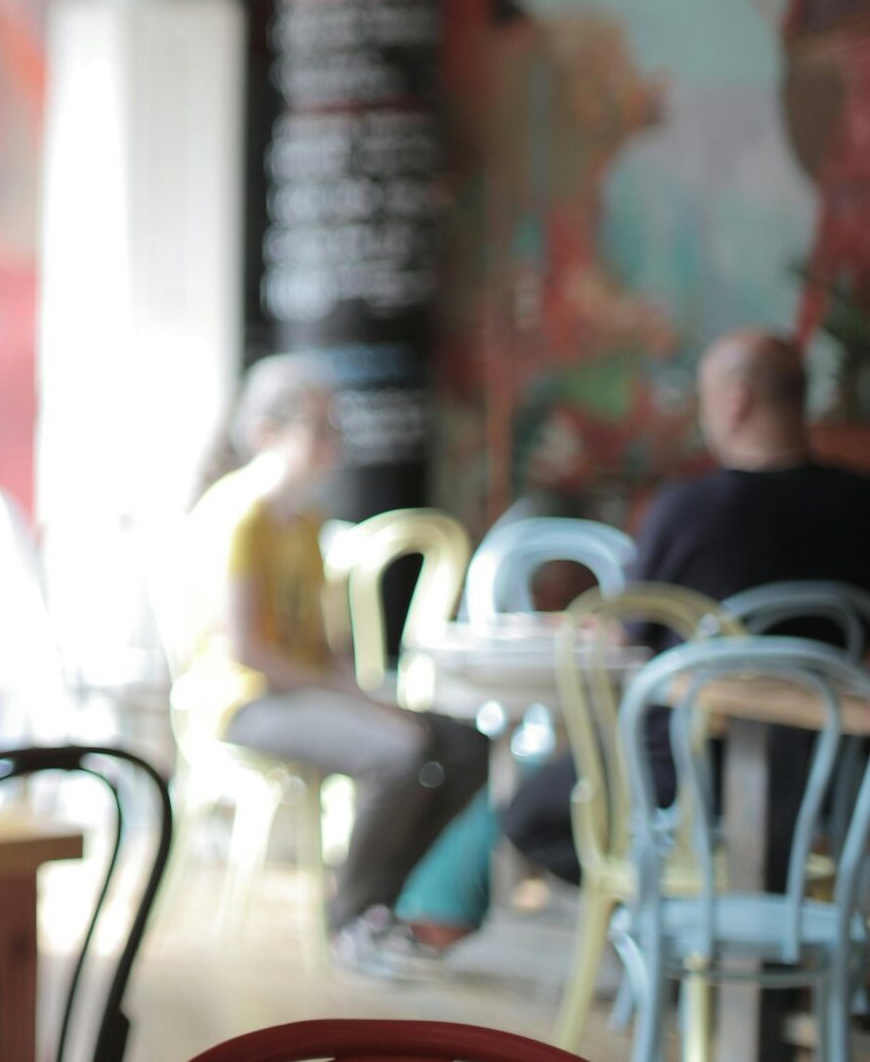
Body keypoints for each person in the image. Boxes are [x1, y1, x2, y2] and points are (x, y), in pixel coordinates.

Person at [501, 327, 870, 882]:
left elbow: (628, 634)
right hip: (833, 777)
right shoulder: (860, 503)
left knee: (527, 815)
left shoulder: (689, 509)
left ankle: (665, 930)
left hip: (685, 773)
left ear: (736, 401)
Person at [174, 355, 491, 972]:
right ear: (268, 433)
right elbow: (252, 654)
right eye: (318, 429)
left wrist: (369, 695)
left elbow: (323, 649)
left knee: (464, 744)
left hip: (299, 691)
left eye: (335, 429)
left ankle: (382, 905)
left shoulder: (305, 522)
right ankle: (352, 917)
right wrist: (359, 704)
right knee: (399, 751)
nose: (332, 444)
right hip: (243, 703)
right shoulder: (240, 515)